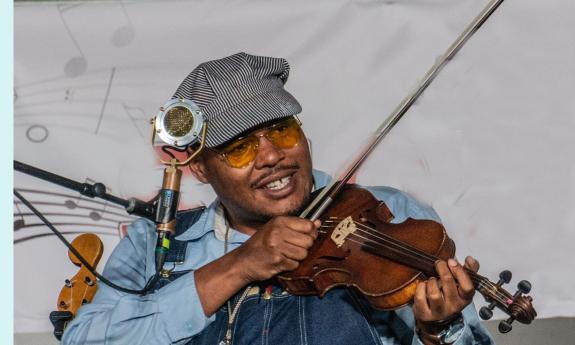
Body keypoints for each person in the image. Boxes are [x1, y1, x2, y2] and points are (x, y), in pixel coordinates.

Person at [62, 52, 494, 345]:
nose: (272, 156)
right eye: (239, 147)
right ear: (198, 167)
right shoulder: (155, 244)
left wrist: (442, 328)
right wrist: (238, 265)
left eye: (282, 130)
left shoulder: (386, 213)